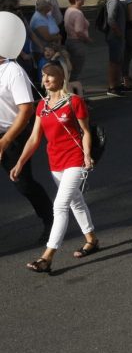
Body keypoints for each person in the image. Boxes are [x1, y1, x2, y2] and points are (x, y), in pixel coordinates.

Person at [11, 62, 99, 273]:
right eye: (43, 76)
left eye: (50, 76)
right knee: (75, 201)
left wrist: (87, 154)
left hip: (75, 159)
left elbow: (86, 131)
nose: (46, 80)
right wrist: (20, 162)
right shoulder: (42, 106)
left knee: (60, 206)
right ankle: (92, 240)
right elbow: (34, 138)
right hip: (55, 162)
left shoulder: (74, 101)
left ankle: (47, 257)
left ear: (61, 78)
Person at [0, 54, 54, 242]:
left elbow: (26, 110)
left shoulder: (13, 71)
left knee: (22, 182)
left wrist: (5, 141)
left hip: (13, 134)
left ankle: (51, 221)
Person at [63, 0, 91, 96]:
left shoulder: (68, 10)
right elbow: (79, 31)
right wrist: (88, 40)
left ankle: (72, 94)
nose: (84, 0)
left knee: (70, 72)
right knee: (75, 72)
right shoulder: (78, 13)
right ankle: (74, 96)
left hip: (69, 41)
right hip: (77, 44)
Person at [103, 0, 126, 97]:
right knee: (114, 62)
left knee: (117, 61)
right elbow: (111, 19)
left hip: (116, 36)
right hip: (114, 37)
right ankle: (112, 87)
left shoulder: (114, 0)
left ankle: (116, 84)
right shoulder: (113, 2)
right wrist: (118, 32)